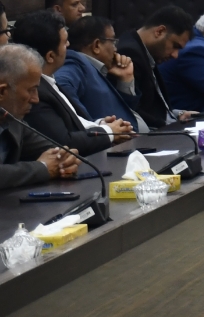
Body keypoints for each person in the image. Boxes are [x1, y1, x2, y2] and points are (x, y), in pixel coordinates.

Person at [13, 12, 129, 153]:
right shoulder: (37, 93)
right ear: (51, 56)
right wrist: (108, 132)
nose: (68, 45)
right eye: (64, 42)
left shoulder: (49, 81)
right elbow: (64, 142)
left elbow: (72, 124)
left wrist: (99, 125)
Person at [0, 44, 79, 189]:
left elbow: (56, 152)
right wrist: (42, 168)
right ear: (2, 92)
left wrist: (66, 160)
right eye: (31, 90)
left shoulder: (13, 119)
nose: (36, 99)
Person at [55, 14, 142, 129]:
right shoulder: (75, 63)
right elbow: (61, 84)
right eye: (113, 42)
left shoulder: (99, 68)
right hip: (111, 138)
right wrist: (95, 125)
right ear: (96, 45)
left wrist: (125, 81)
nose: (116, 49)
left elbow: (123, 110)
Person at [118, 5, 197, 129]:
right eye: (175, 46)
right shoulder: (129, 53)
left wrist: (178, 115)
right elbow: (133, 111)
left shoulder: (145, 51)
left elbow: (153, 109)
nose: (175, 55)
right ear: (159, 31)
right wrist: (172, 126)